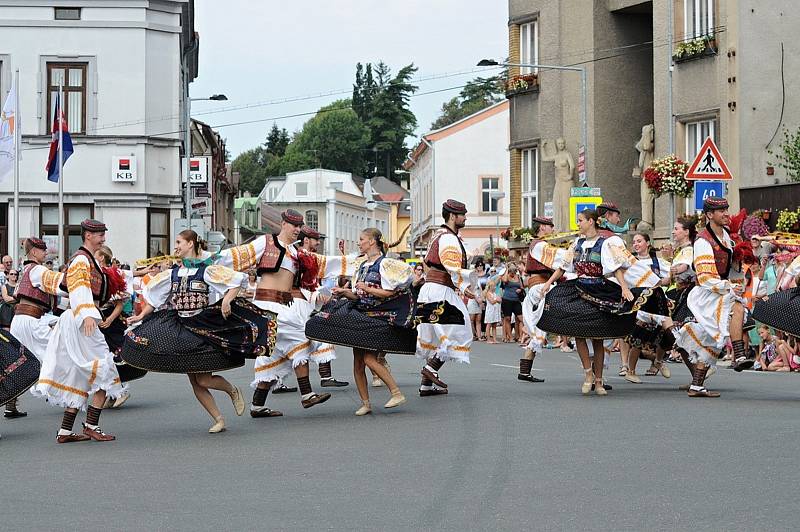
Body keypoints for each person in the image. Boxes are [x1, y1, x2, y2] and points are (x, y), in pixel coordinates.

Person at [211, 209, 354, 417]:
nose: (297, 230)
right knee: (299, 341)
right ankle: (306, 394)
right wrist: (205, 258)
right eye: (294, 225)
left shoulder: (296, 253)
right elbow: (238, 255)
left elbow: (322, 263)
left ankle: (257, 406)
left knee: (272, 356)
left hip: (285, 307)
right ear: (283, 224)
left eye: (299, 226)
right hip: (266, 306)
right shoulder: (266, 242)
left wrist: (353, 261)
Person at [125, 230, 260, 433]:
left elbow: (236, 281)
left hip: (201, 325)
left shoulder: (206, 270)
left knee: (203, 378)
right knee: (194, 380)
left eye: (179, 242)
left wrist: (226, 300)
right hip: (181, 326)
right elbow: (154, 299)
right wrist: (140, 316)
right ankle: (218, 419)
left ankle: (232, 391)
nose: (176, 246)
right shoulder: (172, 273)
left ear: (191, 244)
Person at [537, 209, 663, 395]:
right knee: (578, 333)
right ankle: (588, 374)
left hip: (599, 290)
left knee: (598, 337)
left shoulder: (605, 244)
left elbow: (615, 268)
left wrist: (625, 288)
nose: (578, 224)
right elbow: (563, 267)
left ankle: (598, 380)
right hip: (579, 288)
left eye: (580, 220)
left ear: (591, 222)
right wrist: (547, 284)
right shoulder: (576, 244)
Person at [32, 219, 126, 443]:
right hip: (82, 319)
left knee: (78, 374)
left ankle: (65, 431)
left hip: (78, 317)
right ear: (88, 236)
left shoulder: (88, 259)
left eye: (103, 233)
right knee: (106, 369)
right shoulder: (82, 260)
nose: (103, 237)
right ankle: (92, 425)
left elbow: (68, 287)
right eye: (99, 234)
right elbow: (77, 288)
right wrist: (87, 314)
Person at [322, 228, 411, 415]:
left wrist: (367, 289)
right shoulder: (362, 266)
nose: (358, 242)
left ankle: (396, 393)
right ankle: (365, 403)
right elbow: (357, 295)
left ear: (372, 242)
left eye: (361, 239)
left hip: (377, 318)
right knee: (358, 362)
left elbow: (390, 293)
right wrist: (344, 292)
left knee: (369, 358)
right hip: (362, 315)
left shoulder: (385, 264)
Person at [675, 197, 754, 398]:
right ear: (710, 215)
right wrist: (728, 286)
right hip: (706, 294)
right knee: (736, 308)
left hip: (721, 290)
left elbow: (732, 268)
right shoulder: (702, 241)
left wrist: (739, 266)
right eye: (721, 211)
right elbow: (705, 277)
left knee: (712, 341)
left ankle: (697, 386)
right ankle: (739, 354)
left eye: (727, 209)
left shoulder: (728, 237)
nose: (727, 214)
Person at [415, 199, 477, 397]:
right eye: (463, 215)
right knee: (460, 328)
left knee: (437, 335)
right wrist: (465, 286)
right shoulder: (449, 238)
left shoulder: (437, 235)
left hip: (431, 288)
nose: (465, 218)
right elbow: (452, 267)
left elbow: (426, 263)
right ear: (453, 216)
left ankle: (426, 385)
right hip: (441, 290)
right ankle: (431, 369)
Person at [297, 225, 349, 388]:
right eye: (315, 240)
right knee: (287, 344)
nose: (318, 243)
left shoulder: (310, 257)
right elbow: (293, 284)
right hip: (295, 305)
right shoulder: (297, 257)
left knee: (322, 335)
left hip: (308, 304)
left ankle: (323, 379)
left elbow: (326, 273)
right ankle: (268, 391)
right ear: (306, 240)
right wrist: (314, 294)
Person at [519, 216, 568, 383]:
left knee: (538, 332)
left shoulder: (538, 244)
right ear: (542, 227)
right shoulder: (539, 245)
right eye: (550, 226)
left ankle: (524, 372)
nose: (552, 229)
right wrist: (574, 251)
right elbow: (560, 257)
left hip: (539, 287)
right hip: (540, 287)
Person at [623, 232, 674, 383]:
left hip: (658, 300)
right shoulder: (630, 263)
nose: (636, 244)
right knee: (639, 336)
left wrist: (662, 280)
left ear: (647, 243)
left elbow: (668, 280)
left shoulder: (658, 262)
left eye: (639, 241)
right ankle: (630, 370)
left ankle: (658, 360)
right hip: (640, 302)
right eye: (634, 242)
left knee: (669, 332)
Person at [500, 264, 525, 343]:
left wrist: (520, 290)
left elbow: (522, 287)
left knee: (521, 318)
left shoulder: (518, 277)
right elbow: (504, 280)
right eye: (511, 272)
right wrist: (507, 269)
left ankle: (521, 337)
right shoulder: (506, 276)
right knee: (508, 319)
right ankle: (510, 337)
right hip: (507, 299)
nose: (512, 274)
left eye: (514, 272)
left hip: (516, 300)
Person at [467, 262, 486, 341]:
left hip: (479, 300)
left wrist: (482, 299)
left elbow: (481, 291)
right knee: (471, 320)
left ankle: (479, 336)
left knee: (478, 320)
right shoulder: (468, 281)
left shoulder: (477, 280)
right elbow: (468, 291)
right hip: (472, 300)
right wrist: (476, 298)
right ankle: (472, 335)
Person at [483, 270, 502, 344]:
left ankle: (494, 339)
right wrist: (496, 300)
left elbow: (500, 300)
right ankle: (488, 339)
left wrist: (497, 299)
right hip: (490, 311)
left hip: (495, 310)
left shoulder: (494, 293)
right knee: (489, 324)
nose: (494, 287)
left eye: (495, 286)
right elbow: (492, 301)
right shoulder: (488, 293)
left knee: (494, 325)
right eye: (493, 286)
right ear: (490, 287)